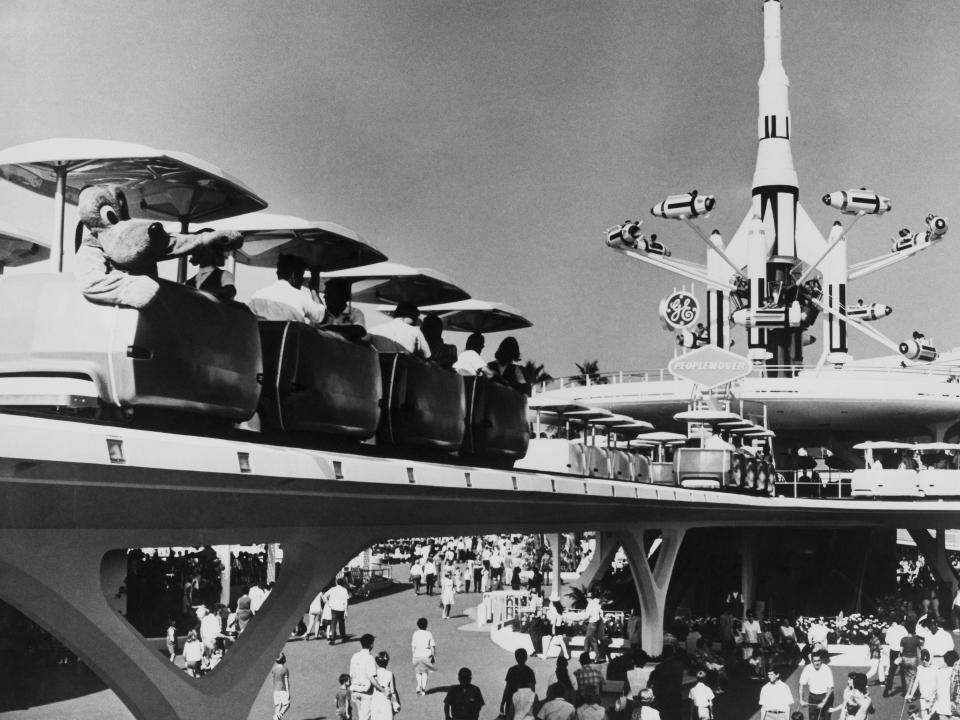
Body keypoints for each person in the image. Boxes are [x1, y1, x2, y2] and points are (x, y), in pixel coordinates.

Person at [248, 253, 326, 325]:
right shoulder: (300, 297)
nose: (302, 280)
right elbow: (321, 317)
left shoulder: (256, 296)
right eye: (301, 276)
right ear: (294, 276)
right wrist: (313, 290)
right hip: (289, 340)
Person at [350, 633, 386, 720]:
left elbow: (351, 674)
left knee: (360, 716)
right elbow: (372, 678)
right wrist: (382, 690)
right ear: (371, 645)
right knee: (364, 718)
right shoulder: (369, 658)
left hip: (355, 691)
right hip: (366, 693)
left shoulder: (354, 656)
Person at [501, 648, 537, 718]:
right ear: (526, 658)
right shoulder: (529, 672)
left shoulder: (511, 670)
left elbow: (507, 688)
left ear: (516, 658)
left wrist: (502, 703)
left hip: (511, 700)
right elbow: (532, 690)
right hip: (524, 702)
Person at [798, 650, 833, 720]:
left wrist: (824, 702)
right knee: (812, 718)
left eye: (818, 660)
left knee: (824, 718)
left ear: (821, 660)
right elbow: (801, 685)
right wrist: (801, 700)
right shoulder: (807, 669)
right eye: (815, 661)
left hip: (825, 696)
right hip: (812, 697)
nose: (817, 663)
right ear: (811, 661)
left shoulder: (826, 669)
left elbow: (830, 688)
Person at [411, 617, 436, 696]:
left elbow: (413, 646)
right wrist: (433, 655)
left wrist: (413, 655)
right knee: (425, 672)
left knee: (418, 672)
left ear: (418, 625)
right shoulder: (428, 633)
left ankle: (419, 685)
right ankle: (423, 690)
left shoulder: (415, 633)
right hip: (426, 655)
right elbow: (433, 646)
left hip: (417, 655)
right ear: (426, 625)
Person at [884, 613, 908, 697]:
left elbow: (887, 640)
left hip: (893, 651)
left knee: (892, 670)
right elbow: (906, 640)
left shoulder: (890, 629)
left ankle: (887, 690)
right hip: (902, 651)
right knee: (903, 671)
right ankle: (905, 691)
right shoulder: (903, 629)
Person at [371, 651, 399, 720]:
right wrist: (395, 704)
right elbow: (392, 691)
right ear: (387, 662)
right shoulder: (389, 674)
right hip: (386, 700)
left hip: (375, 700)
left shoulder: (373, 674)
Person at [899, 620, 923, 698]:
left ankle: (908, 692)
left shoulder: (903, 639)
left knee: (907, 677)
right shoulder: (916, 640)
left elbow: (901, 651)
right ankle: (909, 694)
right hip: (913, 658)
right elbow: (922, 649)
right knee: (913, 676)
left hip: (905, 658)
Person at [932, 650, 957, 720]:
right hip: (955, 709)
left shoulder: (938, 672)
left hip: (942, 709)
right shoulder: (956, 673)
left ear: (945, 661)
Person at [324, 578, 350, 645]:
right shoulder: (344, 590)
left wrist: (328, 603)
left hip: (334, 608)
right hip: (341, 609)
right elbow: (346, 602)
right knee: (341, 623)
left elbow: (324, 596)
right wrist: (346, 611)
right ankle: (343, 637)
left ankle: (333, 639)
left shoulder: (332, 589)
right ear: (343, 583)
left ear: (336, 583)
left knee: (333, 624)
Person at [272, 652, 291, 720]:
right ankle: (277, 717)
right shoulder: (285, 669)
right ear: (283, 660)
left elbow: (273, 680)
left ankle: (276, 717)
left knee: (278, 706)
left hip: (275, 690)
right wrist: (288, 693)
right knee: (287, 704)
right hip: (282, 690)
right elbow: (286, 682)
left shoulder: (274, 669)